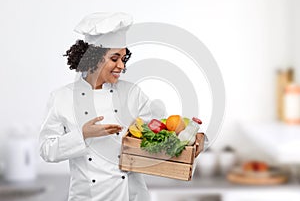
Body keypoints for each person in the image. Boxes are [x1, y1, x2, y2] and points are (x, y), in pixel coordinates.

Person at [39, 12, 204, 201]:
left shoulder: (131, 94)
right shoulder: (62, 98)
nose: (121, 66)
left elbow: (166, 131)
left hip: (131, 196)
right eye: (114, 58)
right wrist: (83, 134)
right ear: (93, 57)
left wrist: (197, 140)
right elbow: (46, 149)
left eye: (123, 59)